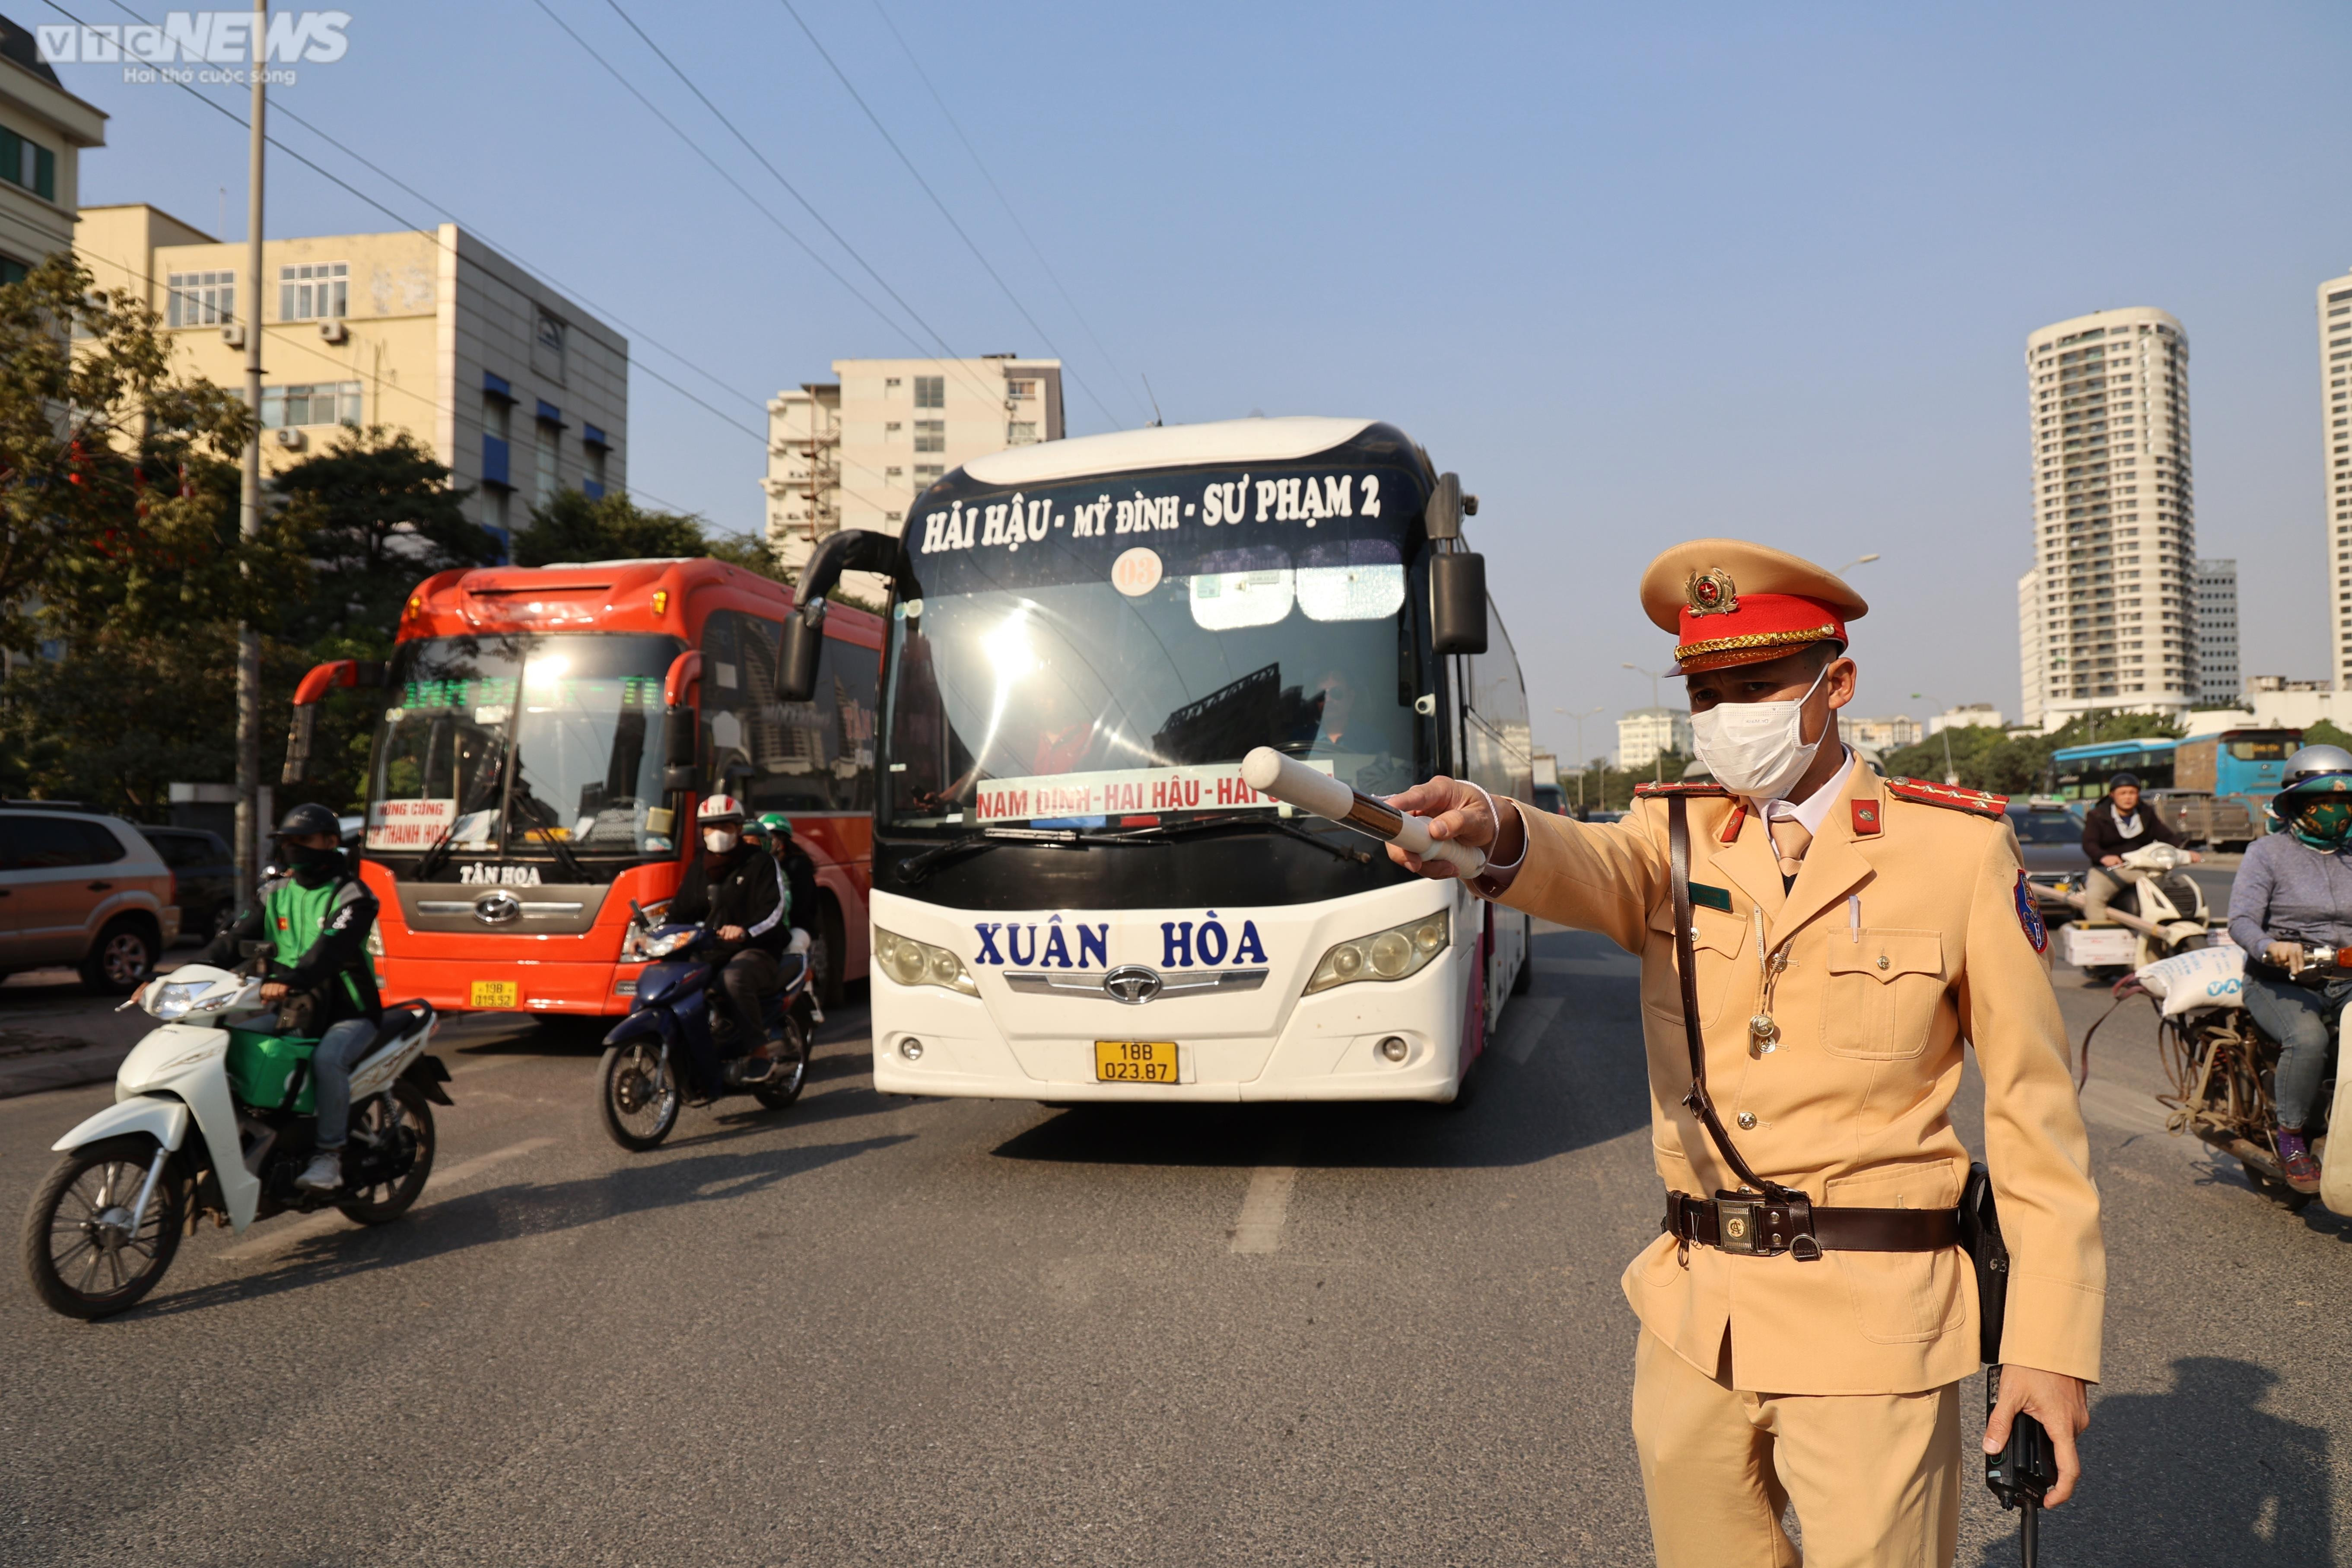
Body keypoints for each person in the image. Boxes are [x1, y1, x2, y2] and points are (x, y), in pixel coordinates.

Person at [1380, 540, 2104, 1568]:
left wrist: (2046, 1345)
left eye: (1755, 686)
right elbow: (1576, 860)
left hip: (1874, 1327)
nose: (1727, 717)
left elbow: (2036, 1118)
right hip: (1694, 1323)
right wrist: (1491, 824)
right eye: (1706, 693)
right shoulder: (1670, 836)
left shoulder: (1952, 853)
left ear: (1834, 684)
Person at [199, 803, 382, 1193]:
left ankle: (328, 1155)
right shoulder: (275, 893)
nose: (293, 849)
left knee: (328, 1058)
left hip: (348, 1012)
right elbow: (233, 940)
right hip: (294, 1010)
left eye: (303, 840)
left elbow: (330, 951)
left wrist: (293, 979)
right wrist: (184, 973)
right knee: (227, 1044)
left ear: (331, 842)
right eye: (287, 842)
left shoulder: (354, 896)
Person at [2226, 744, 2352, 1194]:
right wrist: (2269, 946)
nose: (2335, 812)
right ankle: (2292, 1136)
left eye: (2344, 803)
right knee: (2309, 1038)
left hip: (2345, 982)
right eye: (2323, 802)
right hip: (2279, 980)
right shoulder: (2266, 852)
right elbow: (2240, 919)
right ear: (2297, 805)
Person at [666, 795, 788, 1093]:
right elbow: (680, 911)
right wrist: (654, 936)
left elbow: (774, 911)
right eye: (710, 828)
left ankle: (759, 1052)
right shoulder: (700, 866)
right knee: (675, 978)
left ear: (737, 827)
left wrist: (745, 931)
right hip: (712, 949)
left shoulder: (760, 862)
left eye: (724, 826)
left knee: (734, 978)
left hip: (756, 949)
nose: (717, 833)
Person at [2081, 770, 2200, 922]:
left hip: (2143, 869)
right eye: (2123, 793)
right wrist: (2104, 857)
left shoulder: (2146, 813)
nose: (2128, 797)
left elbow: (2166, 836)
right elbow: (2089, 843)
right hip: (2109, 871)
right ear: (2112, 795)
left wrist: (2185, 852)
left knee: (2170, 893)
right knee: (2094, 899)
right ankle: (2098, 936)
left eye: (2132, 793)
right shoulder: (2097, 816)